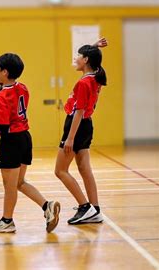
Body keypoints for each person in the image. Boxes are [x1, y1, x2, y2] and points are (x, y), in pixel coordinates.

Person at [0, 53, 60, 234]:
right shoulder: (23, 88)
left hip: (12, 141)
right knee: (19, 182)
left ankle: (7, 220)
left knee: (9, 185)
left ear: (5, 72)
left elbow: (2, 124)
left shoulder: (1, 97)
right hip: (25, 137)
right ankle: (47, 206)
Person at [55, 38, 108, 225]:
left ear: (86, 60)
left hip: (76, 126)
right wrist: (93, 47)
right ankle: (95, 209)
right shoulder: (95, 76)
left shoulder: (84, 83)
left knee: (60, 171)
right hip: (86, 126)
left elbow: (79, 112)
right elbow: (91, 60)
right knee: (85, 169)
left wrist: (70, 138)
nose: (76, 58)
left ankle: (85, 207)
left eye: (79, 56)